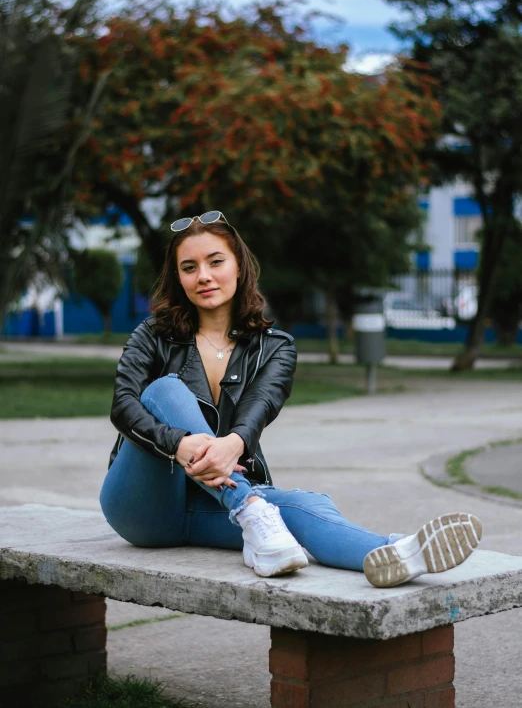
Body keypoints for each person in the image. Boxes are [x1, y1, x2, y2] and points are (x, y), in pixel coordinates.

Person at [99, 211, 482, 588]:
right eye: (189, 267)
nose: (204, 276)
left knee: (304, 506)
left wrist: (232, 445)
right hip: (143, 505)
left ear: (239, 265)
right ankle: (249, 508)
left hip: (209, 506)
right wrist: (178, 444)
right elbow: (123, 405)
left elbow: (258, 409)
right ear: (178, 277)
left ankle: (399, 552)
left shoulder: (275, 348)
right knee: (165, 391)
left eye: (216, 262)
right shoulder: (153, 335)